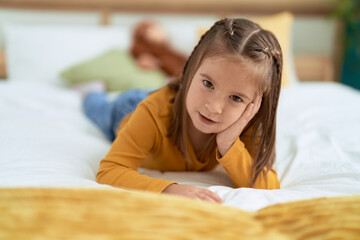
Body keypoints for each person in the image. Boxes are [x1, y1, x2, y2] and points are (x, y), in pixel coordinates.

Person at [85, 18, 283, 204]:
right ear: (190, 69)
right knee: (95, 106)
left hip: (177, 96)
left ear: (255, 104)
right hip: (128, 110)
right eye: (208, 83)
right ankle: (92, 92)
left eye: (236, 98)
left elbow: (269, 186)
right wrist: (168, 189)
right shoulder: (154, 113)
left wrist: (229, 144)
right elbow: (110, 170)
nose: (213, 107)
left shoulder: (246, 123)